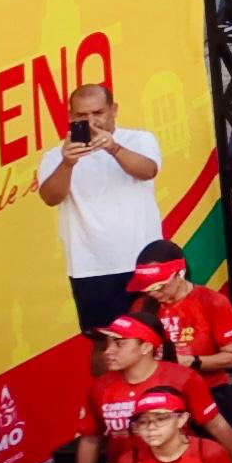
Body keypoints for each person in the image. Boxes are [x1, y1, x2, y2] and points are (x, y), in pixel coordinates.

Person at [38, 79, 169, 338]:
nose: (91, 121)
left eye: (98, 113)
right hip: (91, 265)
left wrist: (113, 147)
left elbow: (148, 171)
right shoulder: (56, 156)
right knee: (104, 341)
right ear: (70, 116)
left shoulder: (139, 139)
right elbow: (50, 198)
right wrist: (67, 164)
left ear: (114, 110)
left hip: (143, 260)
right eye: (82, 115)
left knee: (155, 335)